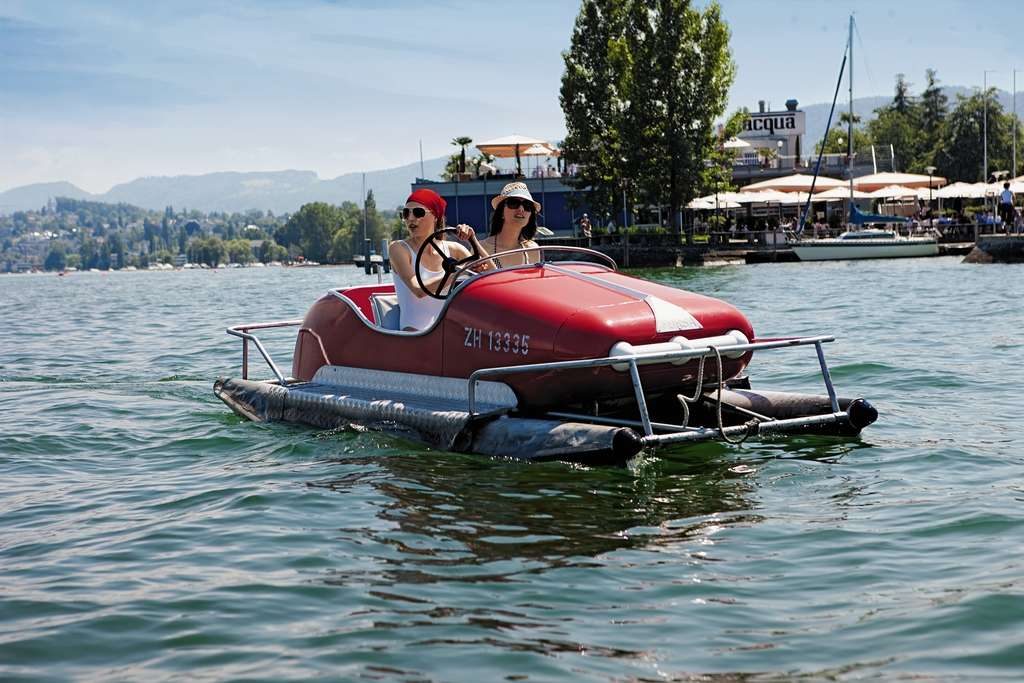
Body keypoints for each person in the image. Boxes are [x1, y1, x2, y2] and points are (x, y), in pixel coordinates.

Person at [388, 189, 490, 331]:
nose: (410, 218)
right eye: (405, 213)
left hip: (448, 331)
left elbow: (493, 274)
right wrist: (461, 271)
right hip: (414, 333)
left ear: (435, 216)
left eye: (418, 212)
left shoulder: (454, 249)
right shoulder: (398, 248)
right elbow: (418, 289)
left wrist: (472, 239)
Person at [483, 182, 542, 268]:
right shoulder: (482, 248)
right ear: (501, 212)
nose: (521, 209)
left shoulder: (532, 249)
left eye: (527, 206)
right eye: (513, 203)